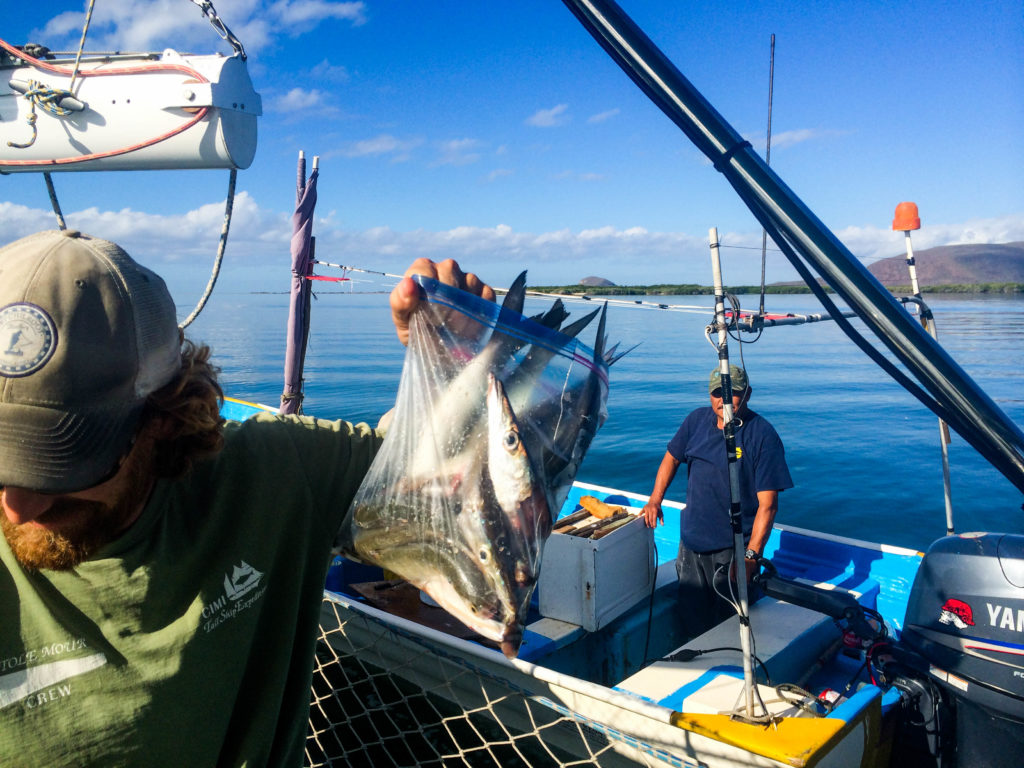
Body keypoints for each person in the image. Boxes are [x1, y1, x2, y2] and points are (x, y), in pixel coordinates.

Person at [0, 229, 493, 766]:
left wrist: (445, 368)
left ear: (164, 417)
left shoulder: (271, 475)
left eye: (62, 465)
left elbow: (423, 483)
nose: (18, 507)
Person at [641, 364, 793, 634]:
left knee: (732, 623)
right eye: (716, 393)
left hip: (731, 551)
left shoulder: (762, 436)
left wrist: (751, 556)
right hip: (690, 544)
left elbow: (768, 506)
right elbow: (672, 458)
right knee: (690, 617)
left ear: (747, 394)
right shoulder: (696, 421)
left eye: (732, 393)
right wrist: (655, 499)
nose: (724, 401)